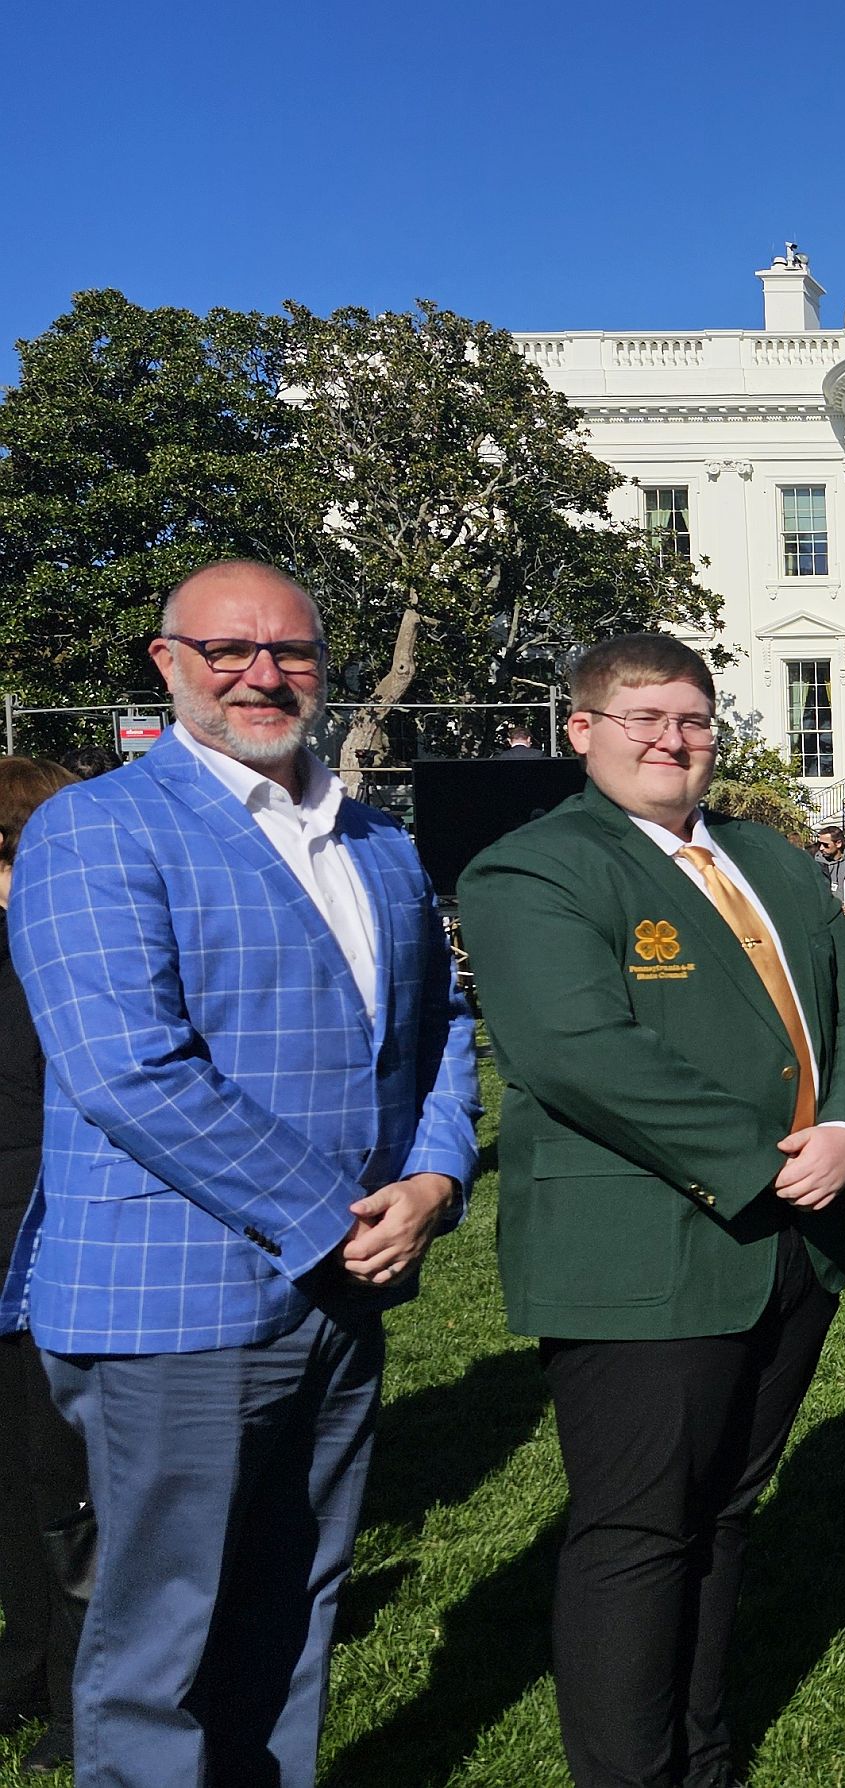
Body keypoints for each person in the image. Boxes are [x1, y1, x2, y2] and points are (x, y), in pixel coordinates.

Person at [1, 560, 481, 1786]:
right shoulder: (93, 828)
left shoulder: (376, 840)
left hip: (345, 1290)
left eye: (292, 652)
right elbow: (126, 1070)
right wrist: (333, 1218)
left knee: (292, 1612)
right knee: (162, 1642)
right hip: (173, 1300)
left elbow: (438, 1032)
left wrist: (433, 1181)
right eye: (227, 650)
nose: (262, 675)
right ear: (167, 665)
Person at [458, 634, 845, 1788]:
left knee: (726, 1514)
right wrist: (764, 1160)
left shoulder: (775, 862)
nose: (673, 739)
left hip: (795, 1240)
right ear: (581, 731)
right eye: (643, 717)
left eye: (692, 718)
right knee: (640, 1533)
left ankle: (699, 1759)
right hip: (643, 1251)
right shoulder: (534, 871)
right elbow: (580, 1055)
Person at [0, 759, 85, 1779]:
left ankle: (74, 1690)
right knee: (17, 1490)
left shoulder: (54, 954)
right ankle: (28, 1665)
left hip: (50, 1246)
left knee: (62, 1484)